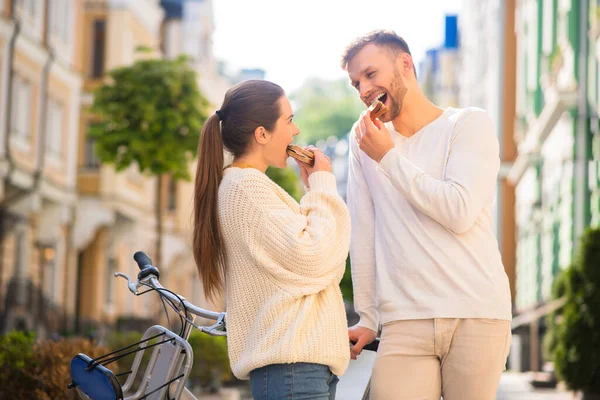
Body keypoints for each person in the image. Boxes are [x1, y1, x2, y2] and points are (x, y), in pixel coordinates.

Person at [341, 30, 513, 400]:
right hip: (405, 319)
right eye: (356, 82)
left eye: (371, 74)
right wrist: (368, 317)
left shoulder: (468, 125)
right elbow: (363, 233)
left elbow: (459, 210)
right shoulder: (362, 146)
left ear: (405, 65)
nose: (364, 90)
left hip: (477, 313)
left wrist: (388, 158)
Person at [192, 80, 350, 400]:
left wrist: (314, 190)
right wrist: (321, 185)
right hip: (292, 368)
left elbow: (317, 266)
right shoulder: (246, 188)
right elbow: (316, 257)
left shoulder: (250, 186)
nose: (296, 131)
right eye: (289, 120)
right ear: (262, 134)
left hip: (299, 366)